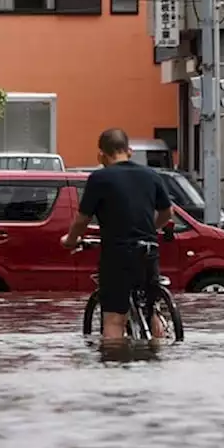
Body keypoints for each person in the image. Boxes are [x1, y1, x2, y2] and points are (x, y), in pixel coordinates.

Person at [62, 129, 173, 340]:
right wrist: (151, 228)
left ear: (101, 155)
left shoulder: (100, 178)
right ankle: (157, 355)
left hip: (118, 253)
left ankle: (114, 367)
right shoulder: (152, 175)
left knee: (114, 318)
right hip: (149, 250)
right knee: (152, 309)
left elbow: (82, 219)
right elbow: (168, 213)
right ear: (128, 151)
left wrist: (70, 240)